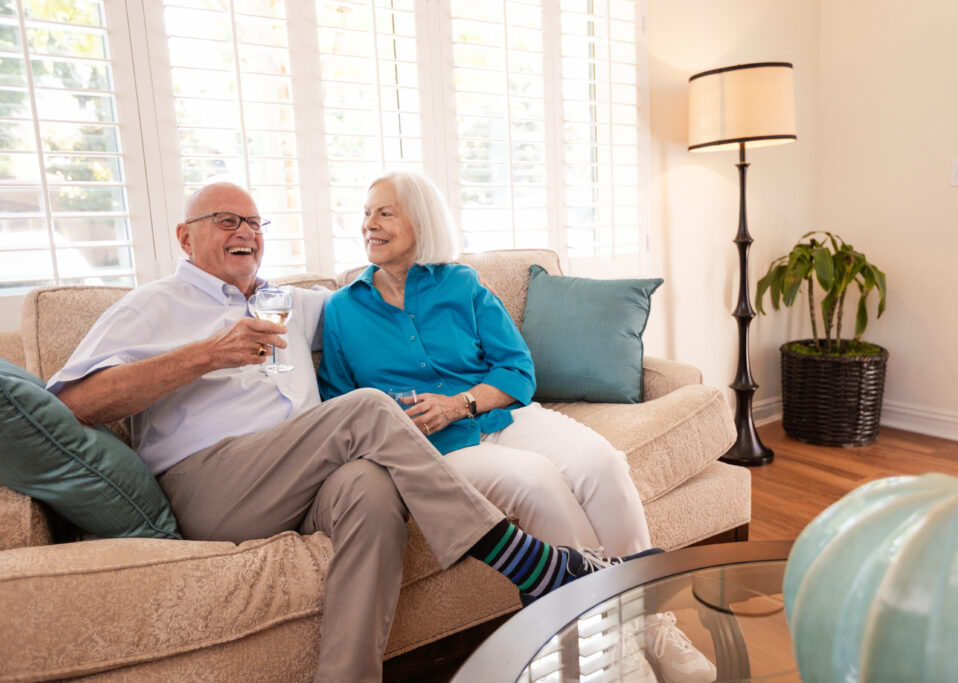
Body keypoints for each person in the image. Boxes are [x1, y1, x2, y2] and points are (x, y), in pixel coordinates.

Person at [46, 182, 656, 683]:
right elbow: (71, 405)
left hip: (301, 478)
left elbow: (367, 306)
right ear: (185, 236)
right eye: (226, 220)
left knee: (370, 490)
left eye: (256, 223)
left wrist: (457, 394)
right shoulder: (152, 305)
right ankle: (527, 562)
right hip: (211, 483)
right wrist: (205, 355)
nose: (247, 234)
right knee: (365, 409)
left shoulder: (295, 302)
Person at [317, 170, 653, 556]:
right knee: (538, 481)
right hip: (434, 449)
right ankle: (592, 609)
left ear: (421, 222)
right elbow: (338, 405)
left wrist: (460, 404)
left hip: (498, 417)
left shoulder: (461, 284)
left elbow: (517, 369)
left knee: (603, 463)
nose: (368, 225)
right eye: (366, 213)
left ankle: (640, 607)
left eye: (385, 214)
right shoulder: (343, 308)